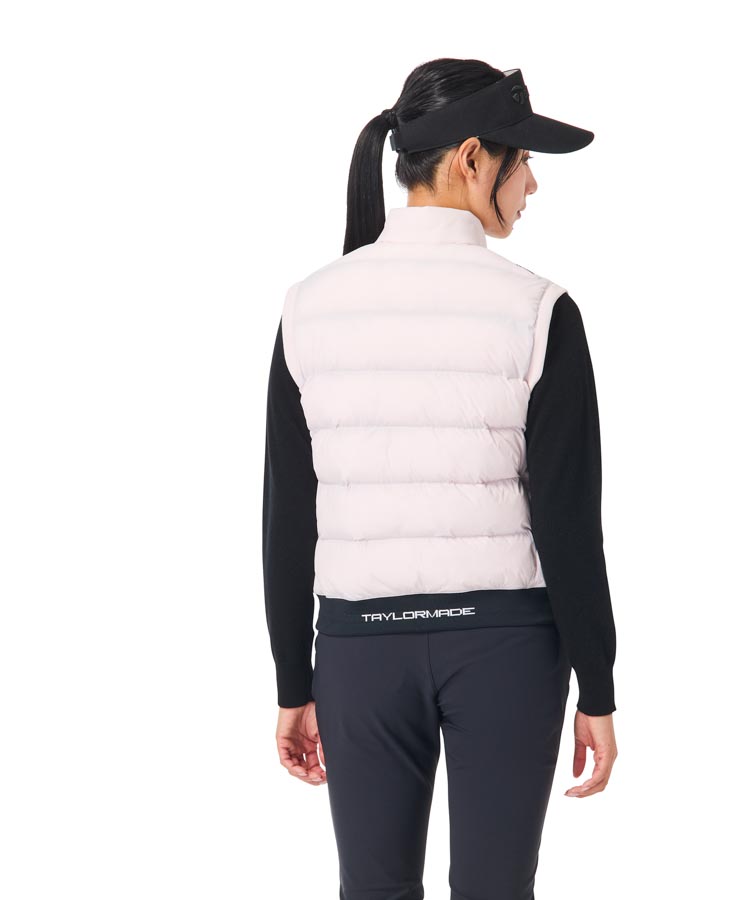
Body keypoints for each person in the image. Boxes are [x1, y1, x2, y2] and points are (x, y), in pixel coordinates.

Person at [262, 58, 618, 900]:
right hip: (508, 649)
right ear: (470, 158)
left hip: (357, 653)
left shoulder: (309, 307)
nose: (532, 184)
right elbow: (569, 522)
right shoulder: (539, 310)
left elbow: (288, 516)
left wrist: (293, 682)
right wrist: (598, 687)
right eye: (523, 161)